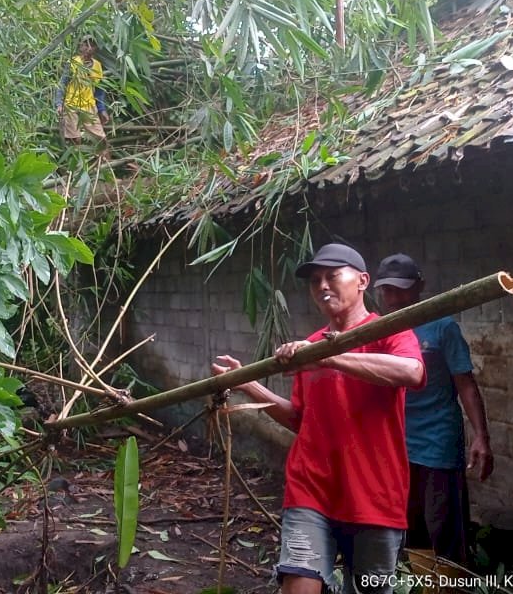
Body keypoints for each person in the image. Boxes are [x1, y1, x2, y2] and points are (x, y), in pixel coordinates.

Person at [211, 243, 424, 594]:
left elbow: (412, 372)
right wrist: (250, 385)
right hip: (311, 491)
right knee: (299, 584)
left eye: (332, 275)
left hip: (374, 495)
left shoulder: (389, 332)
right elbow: (301, 420)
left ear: (362, 281)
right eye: (315, 280)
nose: (322, 285)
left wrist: (330, 356)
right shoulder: (309, 347)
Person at [373, 253, 493, 567]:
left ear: (420, 286)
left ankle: (451, 585)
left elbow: (465, 383)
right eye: (387, 290)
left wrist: (481, 437)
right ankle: (425, 582)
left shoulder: (442, 327)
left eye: (401, 289)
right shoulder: (380, 330)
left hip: (438, 440)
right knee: (410, 527)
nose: (393, 298)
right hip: (399, 442)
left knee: (444, 526)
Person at [54, 36, 109, 150]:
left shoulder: (97, 66)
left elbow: (99, 91)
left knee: (101, 138)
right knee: (75, 140)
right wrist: (59, 104)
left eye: (92, 45)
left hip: (88, 105)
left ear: (96, 48)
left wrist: (102, 109)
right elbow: (62, 84)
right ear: (81, 47)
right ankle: (76, 165)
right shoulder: (73, 63)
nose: (89, 48)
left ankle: (104, 164)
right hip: (71, 105)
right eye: (86, 44)